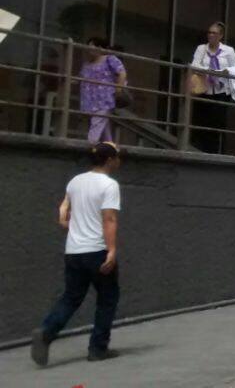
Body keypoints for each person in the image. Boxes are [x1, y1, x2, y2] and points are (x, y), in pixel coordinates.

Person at [31, 142, 123, 366]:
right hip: (96, 249)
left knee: (71, 297)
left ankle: (46, 332)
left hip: (74, 251)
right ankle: (97, 348)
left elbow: (64, 213)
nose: (120, 160)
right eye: (117, 157)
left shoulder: (75, 182)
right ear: (109, 160)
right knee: (107, 297)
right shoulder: (109, 185)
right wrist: (111, 250)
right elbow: (109, 218)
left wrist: (70, 224)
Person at [188, 21, 235, 153]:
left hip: (221, 91)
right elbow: (194, 65)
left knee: (217, 123)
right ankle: (199, 149)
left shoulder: (229, 51)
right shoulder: (201, 49)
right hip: (204, 90)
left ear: (220, 35)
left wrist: (224, 71)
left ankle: (214, 151)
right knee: (201, 122)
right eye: (209, 32)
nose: (210, 35)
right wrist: (208, 70)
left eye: (214, 33)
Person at [78, 38, 127, 144]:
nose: (89, 50)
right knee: (103, 129)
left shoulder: (109, 59)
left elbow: (121, 73)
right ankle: (110, 150)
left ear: (99, 48)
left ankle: (89, 145)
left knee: (97, 122)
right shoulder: (86, 64)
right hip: (89, 101)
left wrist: (118, 90)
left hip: (105, 99)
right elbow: (81, 79)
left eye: (91, 47)